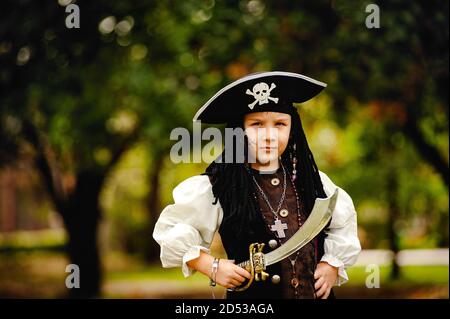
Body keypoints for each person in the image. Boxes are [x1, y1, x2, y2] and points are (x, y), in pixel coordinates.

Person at [153, 71, 361, 299]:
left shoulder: (313, 181)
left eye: (280, 124)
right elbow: (172, 228)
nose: (269, 135)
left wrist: (331, 265)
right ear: (239, 130)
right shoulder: (219, 186)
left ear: (293, 130)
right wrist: (210, 265)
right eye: (257, 124)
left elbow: (343, 224)